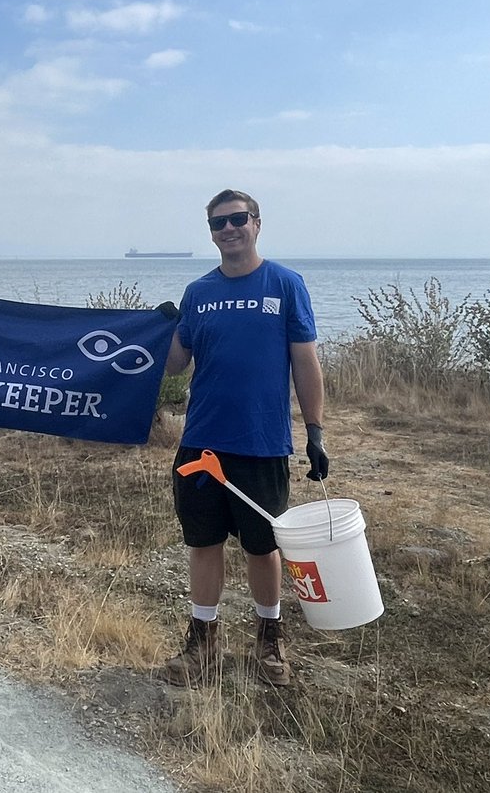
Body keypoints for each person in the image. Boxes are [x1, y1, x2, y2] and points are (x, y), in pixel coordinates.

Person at [162, 189, 328, 688]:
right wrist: (161, 327)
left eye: (237, 219)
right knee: (204, 543)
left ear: (257, 224)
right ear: (210, 233)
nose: (228, 229)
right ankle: (203, 643)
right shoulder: (199, 292)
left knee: (262, 547)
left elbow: (305, 361)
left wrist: (315, 431)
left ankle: (270, 638)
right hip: (202, 445)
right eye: (218, 223)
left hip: (262, 443)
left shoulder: (285, 284)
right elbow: (175, 363)